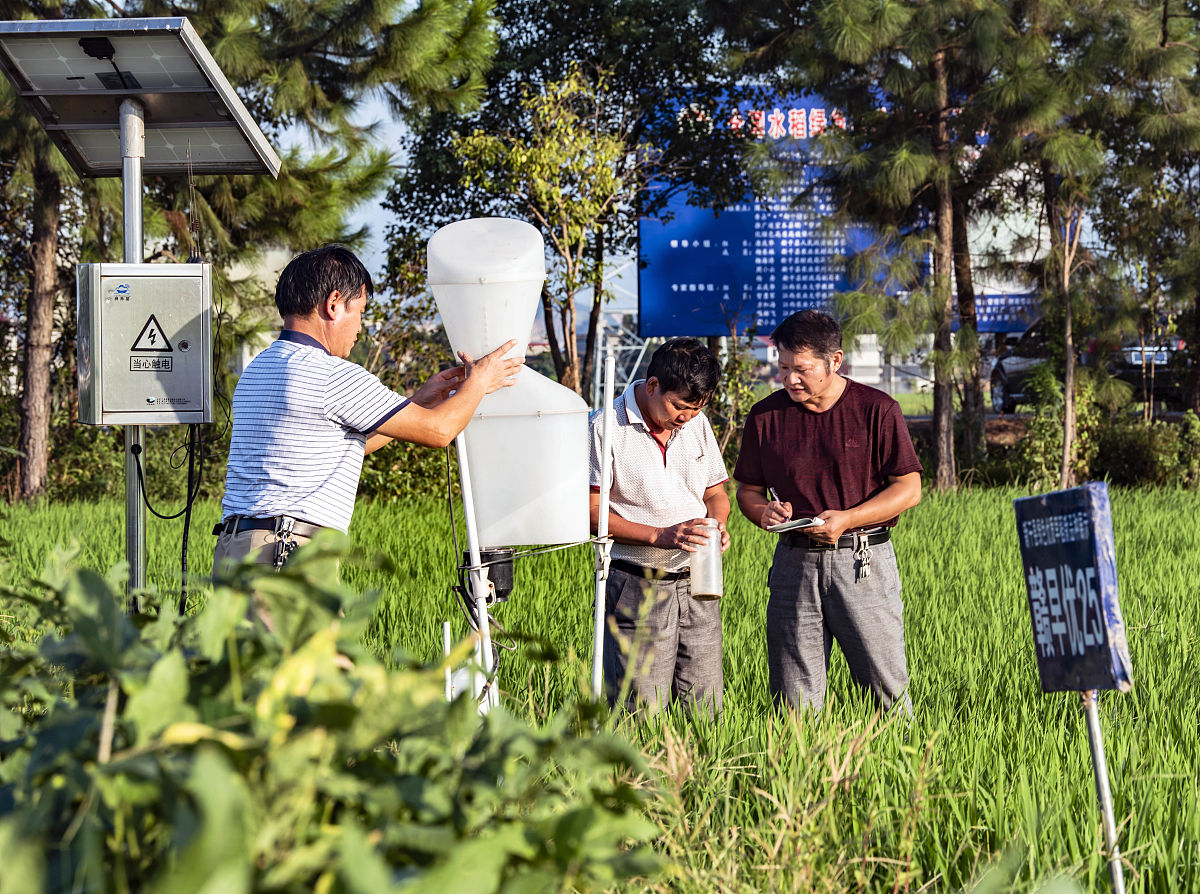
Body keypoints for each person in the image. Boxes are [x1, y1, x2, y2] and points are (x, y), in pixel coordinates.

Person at [213, 244, 522, 576]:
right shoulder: (331, 374)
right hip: (287, 557)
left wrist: (416, 402)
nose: (360, 328)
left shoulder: (259, 369)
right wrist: (480, 379)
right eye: (359, 311)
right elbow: (440, 431)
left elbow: (339, 448)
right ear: (333, 305)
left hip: (236, 553)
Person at [733, 310, 922, 715]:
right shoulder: (766, 417)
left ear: (834, 361)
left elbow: (909, 489)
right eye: (782, 368)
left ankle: (901, 774)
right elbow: (747, 491)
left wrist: (847, 519)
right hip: (793, 564)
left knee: (884, 688)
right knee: (793, 697)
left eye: (800, 369)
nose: (789, 379)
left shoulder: (877, 410)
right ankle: (802, 775)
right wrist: (762, 512)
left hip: (861, 561)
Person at [590, 337, 730, 712]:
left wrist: (716, 527)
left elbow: (716, 493)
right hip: (638, 583)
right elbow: (588, 510)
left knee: (705, 704)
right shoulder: (605, 427)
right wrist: (659, 535)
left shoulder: (695, 424)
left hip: (698, 581)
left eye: (696, 409)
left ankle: (699, 770)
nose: (685, 417)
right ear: (652, 386)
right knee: (640, 708)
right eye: (678, 406)